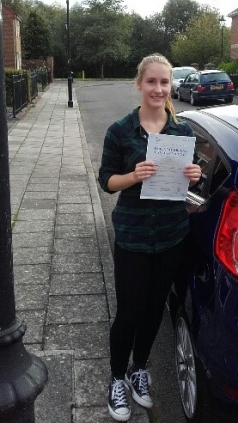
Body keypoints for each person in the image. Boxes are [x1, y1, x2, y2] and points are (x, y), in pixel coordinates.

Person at [98, 53, 202, 421]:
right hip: (133, 236)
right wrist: (133, 176)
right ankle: (116, 378)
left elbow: (191, 182)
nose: (159, 89)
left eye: (164, 82)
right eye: (152, 82)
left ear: (170, 85)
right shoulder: (120, 131)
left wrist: (195, 176)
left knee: (154, 310)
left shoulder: (182, 132)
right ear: (139, 84)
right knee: (128, 312)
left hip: (171, 235)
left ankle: (139, 368)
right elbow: (107, 181)